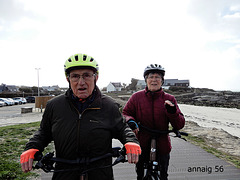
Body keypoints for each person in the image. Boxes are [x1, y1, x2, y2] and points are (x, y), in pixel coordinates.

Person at [20, 53, 141, 180]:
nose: (81, 82)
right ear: (68, 79)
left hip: (99, 173)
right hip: (65, 172)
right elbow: (44, 132)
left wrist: (131, 141)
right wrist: (32, 147)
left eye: (87, 75)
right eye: (75, 76)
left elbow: (122, 129)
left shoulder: (109, 105)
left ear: (96, 78)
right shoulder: (54, 106)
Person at [122, 64, 185, 180]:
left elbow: (179, 124)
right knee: (140, 174)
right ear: (146, 80)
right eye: (151, 77)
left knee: (163, 175)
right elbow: (125, 113)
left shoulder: (170, 99)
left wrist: (172, 112)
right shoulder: (136, 97)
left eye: (157, 77)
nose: (154, 80)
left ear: (162, 81)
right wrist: (131, 121)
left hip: (162, 141)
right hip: (142, 140)